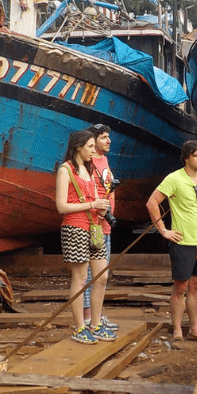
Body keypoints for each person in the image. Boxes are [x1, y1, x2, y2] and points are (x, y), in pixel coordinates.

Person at [145, 140, 197, 342]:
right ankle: (176, 330)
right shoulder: (174, 178)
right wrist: (163, 230)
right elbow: (152, 202)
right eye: (196, 155)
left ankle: (194, 328)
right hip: (182, 241)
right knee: (181, 286)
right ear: (186, 158)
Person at [55, 129, 114, 344]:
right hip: (75, 228)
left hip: (94, 228)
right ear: (78, 147)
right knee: (80, 279)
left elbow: (97, 197)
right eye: (89, 146)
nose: (93, 150)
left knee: (101, 276)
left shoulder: (91, 169)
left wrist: (101, 209)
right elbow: (61, 206)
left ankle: (95, 324)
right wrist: (92, 205)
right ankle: (80, 327)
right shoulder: (65, 170)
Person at [83, 123, 118, 332]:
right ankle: (88, 318)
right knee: (91, 273)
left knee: (102, 273)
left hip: (105, 225)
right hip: (93, 225)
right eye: (104, 137)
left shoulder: (104, 160)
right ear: (93, 141)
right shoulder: (87, 163)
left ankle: (96, 315)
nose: (109, 141)